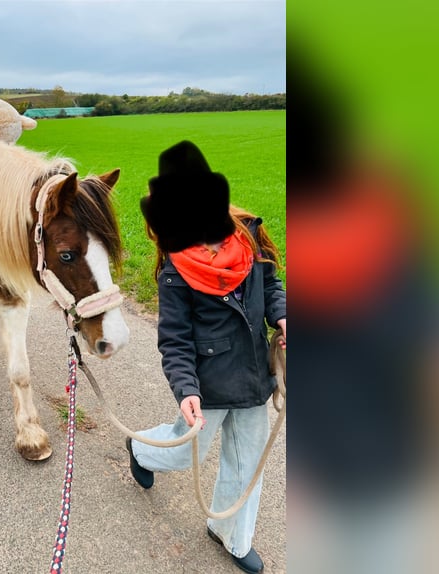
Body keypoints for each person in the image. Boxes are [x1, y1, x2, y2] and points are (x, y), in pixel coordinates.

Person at [126, 140, 286, 574]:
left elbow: (271, 287)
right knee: (181, 454)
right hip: (208, 384)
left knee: (246, 464)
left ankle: (231, 536)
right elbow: (174, 339)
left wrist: (284, 317)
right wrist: (186, 390)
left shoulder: (248, 236)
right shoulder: (176, 270)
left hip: (253, 377)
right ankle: (141, 448)